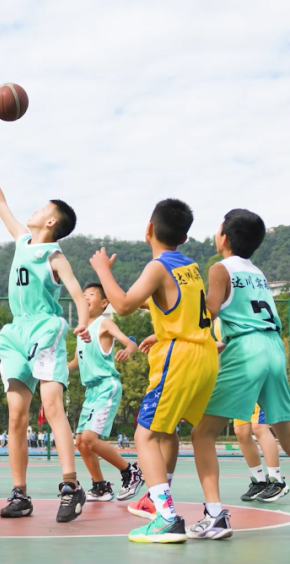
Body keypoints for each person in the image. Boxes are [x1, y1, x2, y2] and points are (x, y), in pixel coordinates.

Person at [187, 209, 290, 538]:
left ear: (224, 237)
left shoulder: (220, 268)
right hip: (274, 348)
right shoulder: (257, 273)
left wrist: (170, 310)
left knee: (202, 434)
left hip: (246, 349)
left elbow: (209, 312)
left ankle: (215, 516)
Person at [0, 137, 91, 523]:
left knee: (52, 407)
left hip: (45, 329)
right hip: (15, 334)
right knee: (16, 416)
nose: (34, 210)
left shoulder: (53, 255)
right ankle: (20, 494)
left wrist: (82, 320)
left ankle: (70, 486)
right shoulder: (22, 239)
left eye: (42, 208)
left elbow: (75, 290)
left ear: (51, 221)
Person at [90, 198, 219, 544]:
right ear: (185, 238)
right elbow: (176, 303)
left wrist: (103, 271)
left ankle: (166, 517)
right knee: (167, 431)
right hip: (205, 353)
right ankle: (161, 499)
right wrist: (158, 321)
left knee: (144, 436)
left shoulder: (158, 266)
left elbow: (122, 305)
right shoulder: (190, 267)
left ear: (148, 229)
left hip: (179, 357)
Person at [67, 283, 144, 502]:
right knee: (80, 442)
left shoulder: (104, 323)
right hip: (91, 391)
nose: (85, 297)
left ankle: (131, 472)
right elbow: (75, 361)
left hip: (106, 387)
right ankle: (100, 486)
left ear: (103, 303)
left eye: (91, 294)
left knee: (89, 439)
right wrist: (53, 373)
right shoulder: (81, 330)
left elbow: (130, 343)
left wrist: (128, 350)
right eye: (83, 295)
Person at [234, 405, 288, 502]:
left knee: (259, 427)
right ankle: (260, 482)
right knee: (241, 432)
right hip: (238, 395)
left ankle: (277, 482)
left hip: (257, 394)